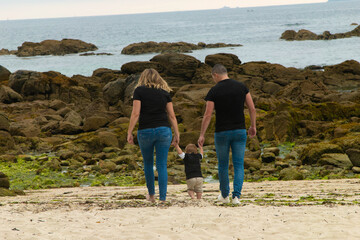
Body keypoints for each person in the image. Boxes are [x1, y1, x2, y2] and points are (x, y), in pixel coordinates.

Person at [198, 64, 256, 205]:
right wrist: (253, 126)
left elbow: (207, 114)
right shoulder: (241, 87)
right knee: (238, 165)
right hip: (239, 131)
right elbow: (252, 108)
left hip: (222, 132)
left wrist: (202, 134)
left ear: (215, 75)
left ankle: (224, 195)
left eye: (213, 77)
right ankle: (236, 197)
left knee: (223, 165)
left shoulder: (214, 90)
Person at [127, 68, 180, 202]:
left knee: (148, 164)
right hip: (164, 131)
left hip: (145, 131)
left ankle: (151, 196)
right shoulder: (165, 93)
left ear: (143, 78)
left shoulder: (139, 91)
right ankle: (163, 198)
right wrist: (177, 133)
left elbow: (135, 113)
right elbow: (172, 116)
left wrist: (129, 131)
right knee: (162, 164)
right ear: (158, 78)